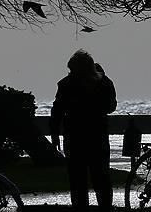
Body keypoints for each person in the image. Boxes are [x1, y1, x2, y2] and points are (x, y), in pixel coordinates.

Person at [50, 49, 117, 211]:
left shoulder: (66, 84)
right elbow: (111, 107)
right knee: (101, 177)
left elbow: (57, 111)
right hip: (98, 135)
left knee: (78, 179)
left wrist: (55, 135)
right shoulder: (104, 83)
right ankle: (105, 207)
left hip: (75, 136)